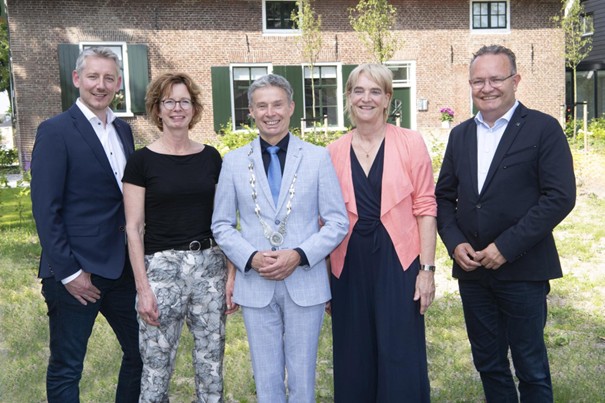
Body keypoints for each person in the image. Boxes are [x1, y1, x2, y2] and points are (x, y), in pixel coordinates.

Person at [435, 45, 576, 402]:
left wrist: (506, 247)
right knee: (488, 362)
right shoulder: (460, 135)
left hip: (524, 269)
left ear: (515, 80)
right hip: (472, 272)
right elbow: (443, 198)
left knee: (530, 365)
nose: (487, 88)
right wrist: (454, 243)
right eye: (478, 81)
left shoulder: (543, 129)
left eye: (496, 79)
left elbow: (559, 197)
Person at [211, 73, 348, 403]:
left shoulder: (317, 157)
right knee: (266, 377)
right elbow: (222, 225)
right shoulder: (233, 162)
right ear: (251, 111)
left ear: (291, 107)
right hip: (256, 284)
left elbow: (337, 222)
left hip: (305, 281)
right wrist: (251, 258)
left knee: (302, 376)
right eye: (262, 106)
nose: (270, 113)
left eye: (277, 104)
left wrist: (299, 254)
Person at [30, 47, 142, 402]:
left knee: (143, 352)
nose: (100, 85)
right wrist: (69, 273)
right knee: (67, 366)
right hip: (76, 272)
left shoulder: (123, 130)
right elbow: (45, 209)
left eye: (109, 78)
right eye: (93, 76)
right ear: (77, 79)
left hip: (121, 269)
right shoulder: (55, 131)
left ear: (118, 84)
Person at [327, 63, 437, 402]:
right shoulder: (332, 151)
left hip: (398, 262)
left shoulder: (411, 143)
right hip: (348, 264)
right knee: (353, 353)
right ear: (348, 96)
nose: (367, 98)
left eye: (376, 91)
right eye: (359, 90)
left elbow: (426, 207)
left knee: (400, 351)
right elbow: (324, 220)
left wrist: (427, 271)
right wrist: (323, 279)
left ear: (388, 98)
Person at [122, 72, 235, 402]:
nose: (177, 108)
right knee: (156, 369)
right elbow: (133, 228)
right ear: (157, 108)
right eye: (169, 101)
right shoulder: (141, 161)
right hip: (161, 271)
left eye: (184, 101)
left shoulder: (211, 157)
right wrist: (143, 289)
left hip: (209, 268)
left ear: (194, 108)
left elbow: (224, 222)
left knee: (211, 366)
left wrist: (231, 275)